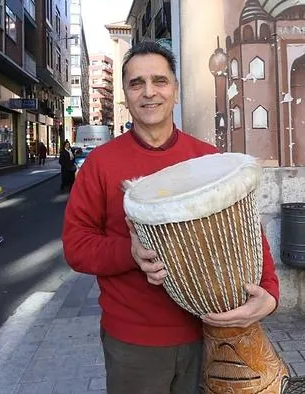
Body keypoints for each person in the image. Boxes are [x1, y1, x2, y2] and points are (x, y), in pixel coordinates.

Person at [62, 41, 279, 394]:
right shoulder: (100, 164)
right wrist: (129, 253)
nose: (149, 92)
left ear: (175, 90)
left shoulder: (209, 159)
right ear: (126, 95)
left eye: (159, 81)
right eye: (136, 83)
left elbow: (247, 230)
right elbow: (76, 246)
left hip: (211, 334)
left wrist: (269, 292)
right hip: (134, 345)